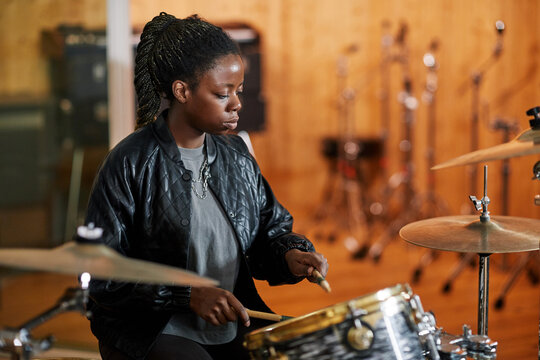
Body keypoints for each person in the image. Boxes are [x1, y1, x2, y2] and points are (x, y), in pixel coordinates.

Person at [84, 12, 328, 360]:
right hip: (152, 331)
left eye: (239, 91)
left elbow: (268, 234)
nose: (237, 103)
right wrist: (186, 295)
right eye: (222, 93)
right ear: (181, 91)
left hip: (231, 323)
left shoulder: (237, 155)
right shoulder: (129, 163)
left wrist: (291, 255)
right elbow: (102, 272)